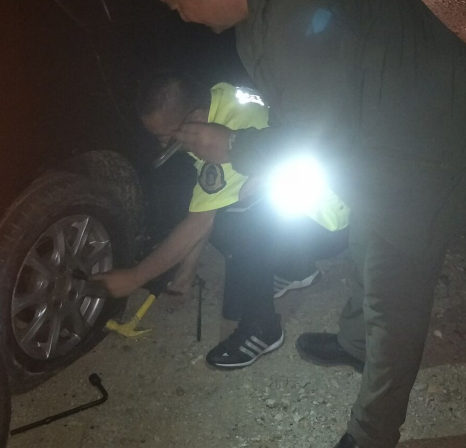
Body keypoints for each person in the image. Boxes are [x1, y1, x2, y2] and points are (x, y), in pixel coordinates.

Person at [143, 0, 466, 448]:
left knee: (395, 294)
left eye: (178, 4)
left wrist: (234, 146)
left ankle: (372, 440)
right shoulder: (266, 0)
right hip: (384, 134)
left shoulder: (298, 3)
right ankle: (355, 344)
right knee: (363, 241)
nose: (182, 17)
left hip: (429, 147)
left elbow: (315, 135)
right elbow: (302, 112)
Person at [97, 70, 349, 368]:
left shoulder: (226, 138)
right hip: (336, 193)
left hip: (334, 225)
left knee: (238, 221)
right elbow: (208, 206)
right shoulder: (222, 99)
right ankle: (296, 268)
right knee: (236, 206)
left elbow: (200, 221)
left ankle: (262, 329)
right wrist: (188, 269)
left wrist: (135, 277)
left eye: (167, 135)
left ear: (196, 118)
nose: (164, 144)